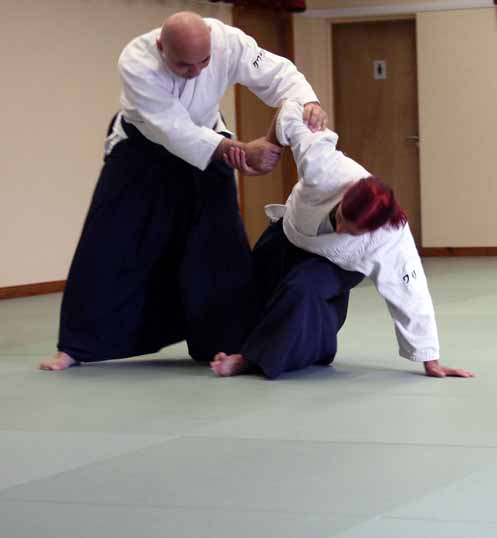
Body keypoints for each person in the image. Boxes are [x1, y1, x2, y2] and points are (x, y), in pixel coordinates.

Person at [40, 12, 328, 371]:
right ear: (161, 47)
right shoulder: (137, 61)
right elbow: (172, 129)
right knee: (109, 239)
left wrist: (307, 101)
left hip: (207, 135)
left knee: (220, 241)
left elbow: (277, 74)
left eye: (203, 62)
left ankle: (224, 344)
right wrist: (238, 151)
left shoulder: (228, 41)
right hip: (143, 147)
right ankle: (76, 346)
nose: (195, 72)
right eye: (183, 65)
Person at [211, 100, 474, 379]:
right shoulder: (326, 167)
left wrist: (430, 359)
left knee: (301, 289)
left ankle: (249, 360)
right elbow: (290, 111)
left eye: (352, 230)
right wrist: (302, 112)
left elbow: (411, 293)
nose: (340, 229)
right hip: (290, 233)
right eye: (341, 218)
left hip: (338, 264)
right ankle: (310, 346)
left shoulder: (390, 236)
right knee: (252, 287)